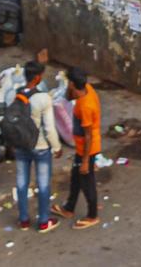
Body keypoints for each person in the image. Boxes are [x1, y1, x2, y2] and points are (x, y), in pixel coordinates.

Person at [11, 60, 61, 233]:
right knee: (43, 184)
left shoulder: (15, 94)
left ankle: (23, 220)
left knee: (22, 182)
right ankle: (43, 221)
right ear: (38, 78)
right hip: (40, 147)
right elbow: (49, 128)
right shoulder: (43, 98)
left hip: (20, 145)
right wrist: (56, 147)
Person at [54, 67, 102, 229]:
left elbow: (88, 135)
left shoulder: (85, 107)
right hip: (83, 148)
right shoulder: (87, 89)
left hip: (87, 149)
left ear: (73, 84)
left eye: (69, 83)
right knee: (75, 177)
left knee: (87, 182)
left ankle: (92, 215)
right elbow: (69, 96)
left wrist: (86, 161)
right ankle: (69, 208)